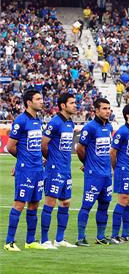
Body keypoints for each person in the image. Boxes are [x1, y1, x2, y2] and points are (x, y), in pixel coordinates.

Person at [4, 90, 45, 251]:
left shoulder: (38, 120)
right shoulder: (21, 121)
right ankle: (9, 242)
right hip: (26, 170)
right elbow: (10, 146)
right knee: (20, 204)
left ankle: (30, 241)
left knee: (34, 204)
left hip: (38, 169)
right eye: (38, 99)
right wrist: (22, 161)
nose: (41, 101)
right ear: (29, 102)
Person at [40, 93, 77, 249]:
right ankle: (44, 239)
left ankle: (60, 239)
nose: (76, 105)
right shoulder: (54, 123)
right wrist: (52, 159)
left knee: (66, 202)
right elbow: (43, 144)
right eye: (72, 103)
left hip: (66, 168)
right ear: (63, 106)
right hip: (55, 168)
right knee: (50, 201)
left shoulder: (70, 124)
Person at [76, 98, 113, 246]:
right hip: (94, 174)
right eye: (104, 108)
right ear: (96, 111)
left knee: (104, 204)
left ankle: (100, 236)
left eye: (109, 108)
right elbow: (80, 148)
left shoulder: (109, 127)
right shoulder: (90, 127)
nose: (107, 111)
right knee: (87, 205)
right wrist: (87, 163)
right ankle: (80, 237)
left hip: (106, 173)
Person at [109, 103, 129, 244]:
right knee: (122, 200)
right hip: (124, 170)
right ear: (128, 115)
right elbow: (112, 152)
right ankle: (114, 235)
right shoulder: (122, 131)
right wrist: (116, 168)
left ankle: (126, 233)